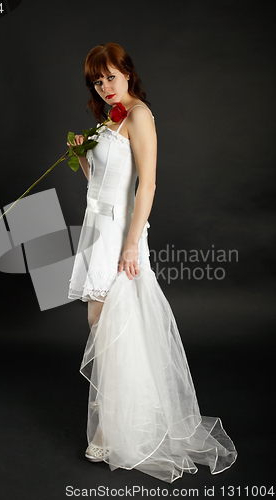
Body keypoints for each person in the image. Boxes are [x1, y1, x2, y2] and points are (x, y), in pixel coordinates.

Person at [68, 42, 237, 483]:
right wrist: (83, 158)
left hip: (121, 236)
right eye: (97, 80)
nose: (105, 86)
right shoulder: (110, 120)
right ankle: (118, 421)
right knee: (102, 327)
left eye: (110, 76)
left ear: (127, 73)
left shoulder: (139, 115)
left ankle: (115, 429)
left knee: (116, 329)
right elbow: (104, 184)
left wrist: (130, 245)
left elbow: (147, 186)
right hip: (98, 231)